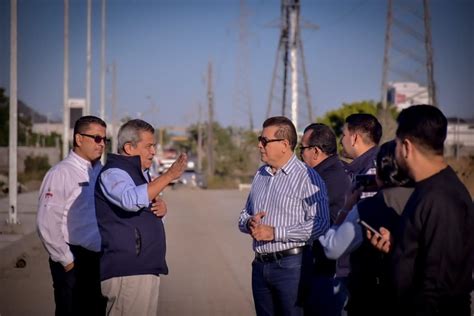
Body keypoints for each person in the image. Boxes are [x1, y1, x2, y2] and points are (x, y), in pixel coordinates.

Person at [367, 105, 474, 315]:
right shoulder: (427, 188)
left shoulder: (441, 198)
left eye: (396, 144)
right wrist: (398, 247)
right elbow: (429, 252)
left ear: (406, 147)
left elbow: (438, 288)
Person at [238, 116, 330, 316]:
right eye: (259, 139)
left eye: (264, 141)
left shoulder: (308, 178)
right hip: (260, 265)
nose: (259, 145)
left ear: (284, 144)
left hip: (292, 268)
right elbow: (244, 215)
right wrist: (249, 222)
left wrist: (275, 233)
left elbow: (321, 224)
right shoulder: (260, 175)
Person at [95, 119, 187, 316]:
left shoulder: (139, 173)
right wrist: (168, 175)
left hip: (143, 268)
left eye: (153, 146)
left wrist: (160, 210)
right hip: (127, 272)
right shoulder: (114, 172)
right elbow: (130, 200)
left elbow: (142, 208)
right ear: (129, 147)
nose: (153, 152)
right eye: (149, 146)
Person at [318, 140, 414, 316]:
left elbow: (332, 248)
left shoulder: (368, 208)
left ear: (381, 170)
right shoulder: (425, 197)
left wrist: (347, 207)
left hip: (372, 297)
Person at [37, 115, 107, 316]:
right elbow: (47, 222)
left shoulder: (101, 172)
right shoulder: (61, 173)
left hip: (99, 260)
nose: (101, 144)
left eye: (104, 139)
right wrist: (67, 261)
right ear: (78, 139)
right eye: (96, 138)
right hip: (74, 260)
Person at [299, 123, 351, 316]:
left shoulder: (324, 179)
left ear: (315, 151)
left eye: (302, 149)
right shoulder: (332, 171)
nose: (300, 154)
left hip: (327, 270)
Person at [336, 113, 383, 314]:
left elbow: (364, 223)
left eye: (344, 134)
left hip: (365, 270)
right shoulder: (363, 167)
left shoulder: (372, 170)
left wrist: (335, 241)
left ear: (354, 137)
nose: (341, 140)